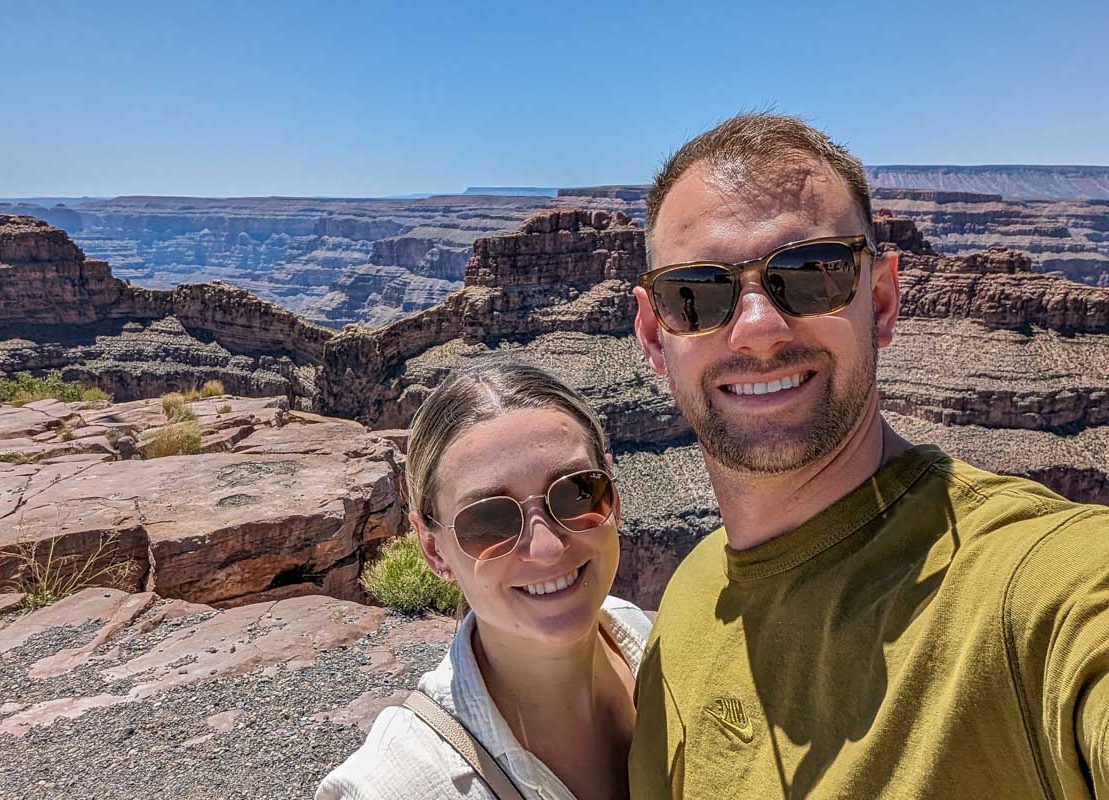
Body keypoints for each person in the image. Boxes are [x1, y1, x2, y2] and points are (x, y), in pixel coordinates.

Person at [628, 112, 1108, 799]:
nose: (759, 330)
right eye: (698, 294)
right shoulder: (686, 601)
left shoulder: (1023, 593)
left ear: (881, 299)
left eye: (811, 273)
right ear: (653, 333)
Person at [317, 360, 650, 800]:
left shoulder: (644, 639)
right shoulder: (394, 785)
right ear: (434, 550)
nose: (546, 547)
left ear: (614, 495)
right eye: (490, 520)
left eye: (575, 492)